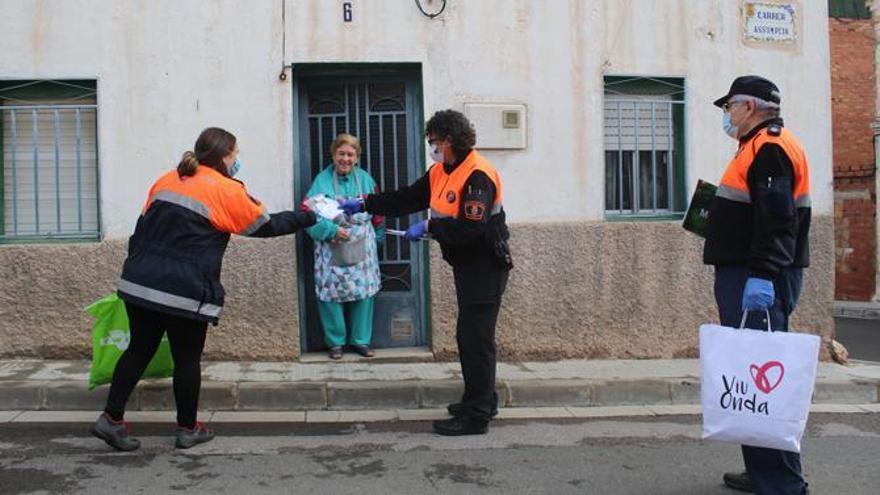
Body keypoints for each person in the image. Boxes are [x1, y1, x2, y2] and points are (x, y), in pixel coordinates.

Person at [91, 127, 316, 451]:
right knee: (186, 357)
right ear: (224, 156)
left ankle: (110, 420)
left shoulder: (168, 178)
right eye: (236, 154)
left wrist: (137, 268)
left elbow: (141, 227)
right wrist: (309, 217)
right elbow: (266, 225)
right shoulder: (226, 189)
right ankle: (187, 429)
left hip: (139, 282)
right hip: (184, 289)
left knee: (139, 349)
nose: (237, 160)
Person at [340, 109, 513, 436]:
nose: (431, 147)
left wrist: (431, 225)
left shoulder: (478, 175)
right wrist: (364, 203)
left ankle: (476, 416)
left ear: (449, 140)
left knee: (475, 339)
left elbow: (471, 229)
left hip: (485, 265)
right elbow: (406, 198)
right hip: (467, 265)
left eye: (434, 141)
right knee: (472, 337)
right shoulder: (440, 171)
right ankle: (481, 401)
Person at [704, 76, 811, 494]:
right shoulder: (757, 147)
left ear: (748, 106)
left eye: (728, 107)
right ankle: (763, 468)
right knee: (752, 379)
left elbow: (778, 220)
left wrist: (763, 275)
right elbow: (757, 212)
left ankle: (782, 481)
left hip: (757, 278)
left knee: (764, 379)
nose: (727, 115)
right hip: (748, 273)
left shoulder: (769, 148)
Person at [304, 133, 384, 360]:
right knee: (330, 294)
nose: (346, 159)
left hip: (363, 246)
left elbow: (377, 213)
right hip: (331, 246)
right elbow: (308, 214)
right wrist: (329, 231)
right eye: (341, 154)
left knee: (364, 293)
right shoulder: (321, 181)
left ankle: (361, 341)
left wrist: (377, 239)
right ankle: (335, 342)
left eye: (351, 154)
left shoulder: (367, 180)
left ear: (357, 157)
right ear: (333, 154)